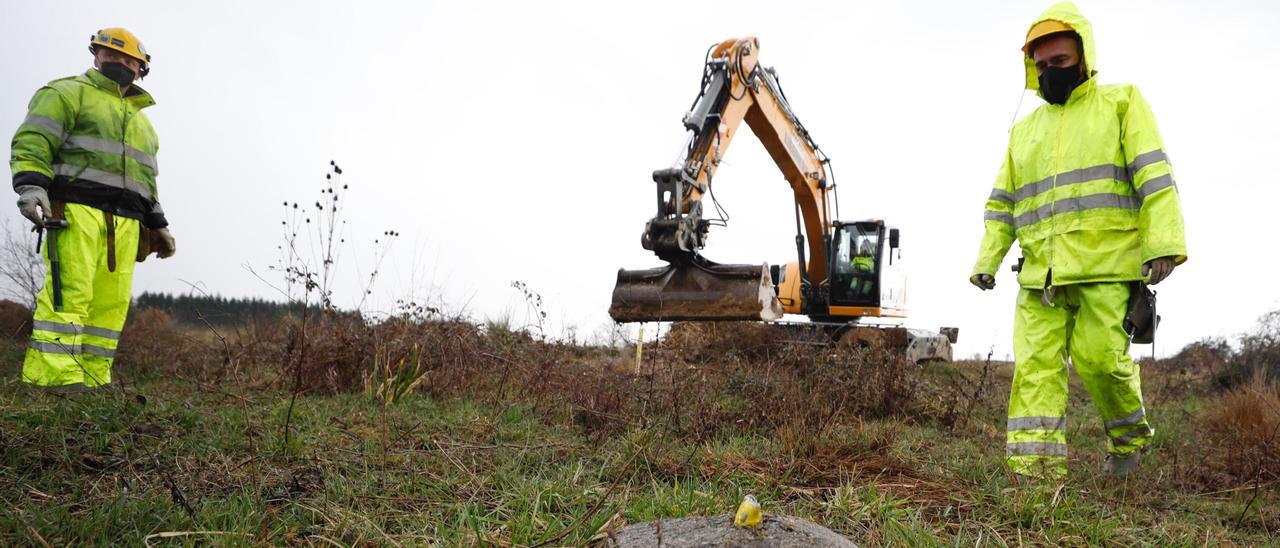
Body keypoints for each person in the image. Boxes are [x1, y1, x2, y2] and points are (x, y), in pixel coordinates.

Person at [969, 3, 1187, 479]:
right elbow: (1002, 202)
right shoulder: (1024, 131)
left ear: (1084, 57)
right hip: (1038, 276)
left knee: (1101, 361)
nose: (1050, 73)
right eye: (1042, 65)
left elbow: (1154, 178)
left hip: (1106, 266)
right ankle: (1034, 481)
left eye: (1060, 63)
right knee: (1035, 372)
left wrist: (1163, 245)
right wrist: (988, 258)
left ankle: (1128, 444)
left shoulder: (1122, 102)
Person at [11, 27, 176, 390]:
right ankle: (54, 382)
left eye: (129, 60)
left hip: (128, 223)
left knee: (109, 308)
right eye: (112, 55)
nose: (120, 63)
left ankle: (94, 381)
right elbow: (34, 140)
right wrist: (32, 185)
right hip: (74, 211)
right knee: (69, 295)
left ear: (141, 69)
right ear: (96, 56)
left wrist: (157, 223)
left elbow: (146, 179)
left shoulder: (143, 123)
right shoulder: (65, 93)